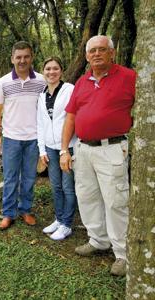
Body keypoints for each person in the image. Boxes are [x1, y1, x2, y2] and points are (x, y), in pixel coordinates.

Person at [60, 35, 136, 276]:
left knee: (115, 200)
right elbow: (70, 117)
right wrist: (64, 150)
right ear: (86, 56)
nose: (96, 54)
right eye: (91, 51)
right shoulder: (82, 83)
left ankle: (122, 253)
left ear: (111, 52)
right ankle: (98, 239)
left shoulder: (129, 77)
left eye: (101, 49)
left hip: (112, 148)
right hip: (83, 149)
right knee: (87, 196)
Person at [0, 41, 46, 230]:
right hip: (11, 138)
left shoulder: (41, 81)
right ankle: (8, 213)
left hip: (34, 138)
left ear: (31, 57)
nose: (22, 61)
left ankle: (25, 210)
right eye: (18, 57)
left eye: (26, 57)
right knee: (10, 177)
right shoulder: (3, 82)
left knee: (30, 177)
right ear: (12, 59)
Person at [37, 57, 77, 240]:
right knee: (56, 186)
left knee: (68, 187)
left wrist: (66, 149)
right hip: (50, 148)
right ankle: (59, 219)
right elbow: (40, 124)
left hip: (68, 147)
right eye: (48, 69)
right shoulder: (42, 94)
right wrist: (42, 150)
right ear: (43, 71)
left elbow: (74, 117)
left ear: (61, 70)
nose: (51, 72)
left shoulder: (69, 90)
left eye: (55, 68)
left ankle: (67, 224)